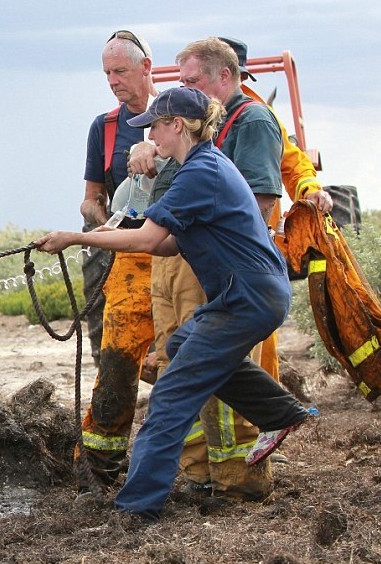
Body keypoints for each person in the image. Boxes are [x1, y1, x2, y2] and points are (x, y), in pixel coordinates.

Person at [35, 86, 310, 520]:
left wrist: (76, 237)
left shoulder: (201, 172)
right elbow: (164, 246)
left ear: (177, 125)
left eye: (156, 128)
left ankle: (136, 507)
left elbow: (147, 238)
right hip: (245, 293)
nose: (150, 138)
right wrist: (99, 235)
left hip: (248, 296)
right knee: (183, 347)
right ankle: (281, 411)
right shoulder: (198, 169)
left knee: (170, 396)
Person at [133, 37, 328, 501]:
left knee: (178, 388)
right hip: (215, 272)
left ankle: (197, 489)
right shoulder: (199, 145)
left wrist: (223, 265)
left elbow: (258, 204)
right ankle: (273, 417)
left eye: (192, 81)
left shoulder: (252, 121)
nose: (188, 88)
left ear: (226, 76)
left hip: (236, 280)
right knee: (180, 348)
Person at [74, 30, 158, 498]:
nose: (112, 81)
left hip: (173, 253)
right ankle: (103, 465)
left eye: (120, 71)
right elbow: (90, 198)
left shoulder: (180, 114)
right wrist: (100, 222)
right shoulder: (103, 128)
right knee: (115, 355)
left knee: (180, 353)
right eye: (106, 73)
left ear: (147, 68)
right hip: (120, 253)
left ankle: (194, 455)